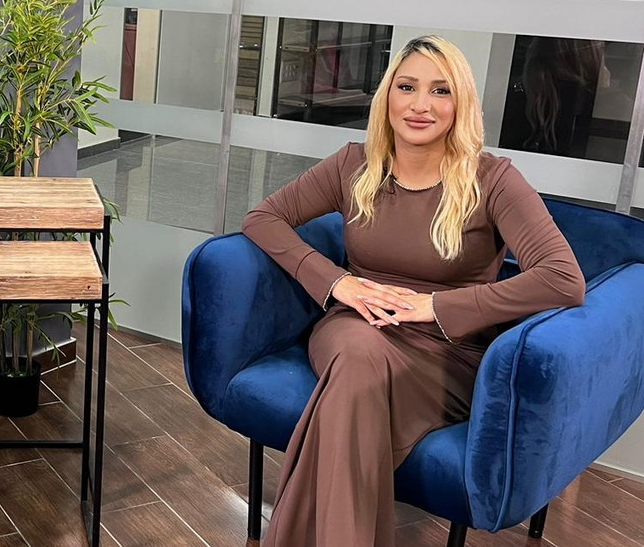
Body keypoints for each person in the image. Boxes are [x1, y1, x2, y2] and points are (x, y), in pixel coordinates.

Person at [241, 35, 586, 547]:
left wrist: (438, 306)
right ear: (387, 97)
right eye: (407, 87)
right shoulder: (353, 164)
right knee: (356, 359)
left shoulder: (492, 180)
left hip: (448, 350)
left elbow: (562, 278)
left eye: (440, 91)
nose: (420, 105)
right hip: (356, 326)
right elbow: (263, 218)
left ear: (460, 104)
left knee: (347, 404)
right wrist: (336, 282)